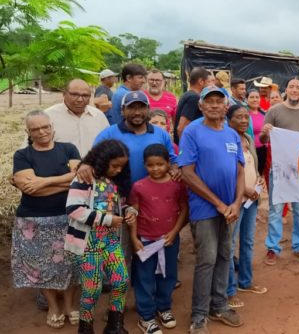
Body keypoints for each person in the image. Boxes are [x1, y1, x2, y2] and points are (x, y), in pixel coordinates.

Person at [178, 86, 245, 333]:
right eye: (210, 101)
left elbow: (239, 171)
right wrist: (219, 204)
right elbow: (187, 173)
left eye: (219, 101)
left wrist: (236, 204)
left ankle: (220, 305)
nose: (215, 105)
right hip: (205, 208)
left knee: (225, 256)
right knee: (206, 259)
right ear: (201, 106)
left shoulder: (231, 134)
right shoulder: (192, 132)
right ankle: (199, 316)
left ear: (226, 106)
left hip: (229, 209)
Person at [12, 110, 80, 329]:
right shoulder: (22, 155)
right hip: (34, 222)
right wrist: (63, 183)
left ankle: (70, 305)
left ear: (52, 127)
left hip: (69, 216)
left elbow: (80, 178)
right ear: (28, 132)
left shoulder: (68, 148)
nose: (42, 132)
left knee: (70, 265)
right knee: (41, 267)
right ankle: (54, 306)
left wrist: (42, 182)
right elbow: (29, 189)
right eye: (35, 129)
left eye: (45, 127)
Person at [65, 139, 133, 334]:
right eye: (114, 166)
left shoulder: (116, 183)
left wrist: (130, 211)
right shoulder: (85, 178)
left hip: (111, 241)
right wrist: (106, 219)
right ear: (103, 161)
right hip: (88, 244)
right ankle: (85, 328)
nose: (118, 170)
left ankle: (115, 326)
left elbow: (119, 206)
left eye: (122, 166)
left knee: (120, 281)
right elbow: (73, 209)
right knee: (92, 289)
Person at [129, 144, 187, 334]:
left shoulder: (177, 184)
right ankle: (146, 317)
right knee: (144, 278)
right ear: (144, 165)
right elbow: (133, 213)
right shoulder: (138, 187)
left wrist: (175, 232)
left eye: (160, 164)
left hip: (169, 240)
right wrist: (134, 238)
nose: (155, 169)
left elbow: (184, 208)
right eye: (150, 165)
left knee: (168, 275)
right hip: (145, 240)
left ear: (168, 163)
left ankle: (164, 308)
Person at [260, 77, 299, 265]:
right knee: (276, 209)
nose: (294, 90)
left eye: (298, 87)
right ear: (286, 90)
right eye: (291, 87)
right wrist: (266, 132)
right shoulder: (274, 111)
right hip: (278, 168)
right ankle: (272, 247)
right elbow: (262, 139)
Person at [225, 105, 268, 311]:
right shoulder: (225, 141)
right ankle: (229, 289)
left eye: (245, 117)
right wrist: (244, 190)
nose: (244, 120)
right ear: (228, 120)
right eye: (238, 117)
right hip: (235, 200)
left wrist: (258, 182)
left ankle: (245, 281)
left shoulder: (249, 140)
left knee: (248, 241)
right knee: (230, 243)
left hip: (252, 199)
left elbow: (252, 166)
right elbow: (227, 173)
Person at [46, 79, 110, 158]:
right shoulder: (48, 116)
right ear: (64, 94)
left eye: (85, 96)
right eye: (74, 95)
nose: (80, 99)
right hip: (61, 169)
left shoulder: (99, 117)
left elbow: (108, 145)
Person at [174, 67, 213, 143]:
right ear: (201, 82)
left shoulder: (187, 95)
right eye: (208, 82)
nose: (211, 85)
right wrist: (184, 149)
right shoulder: (194, 98)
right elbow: (181, 128)